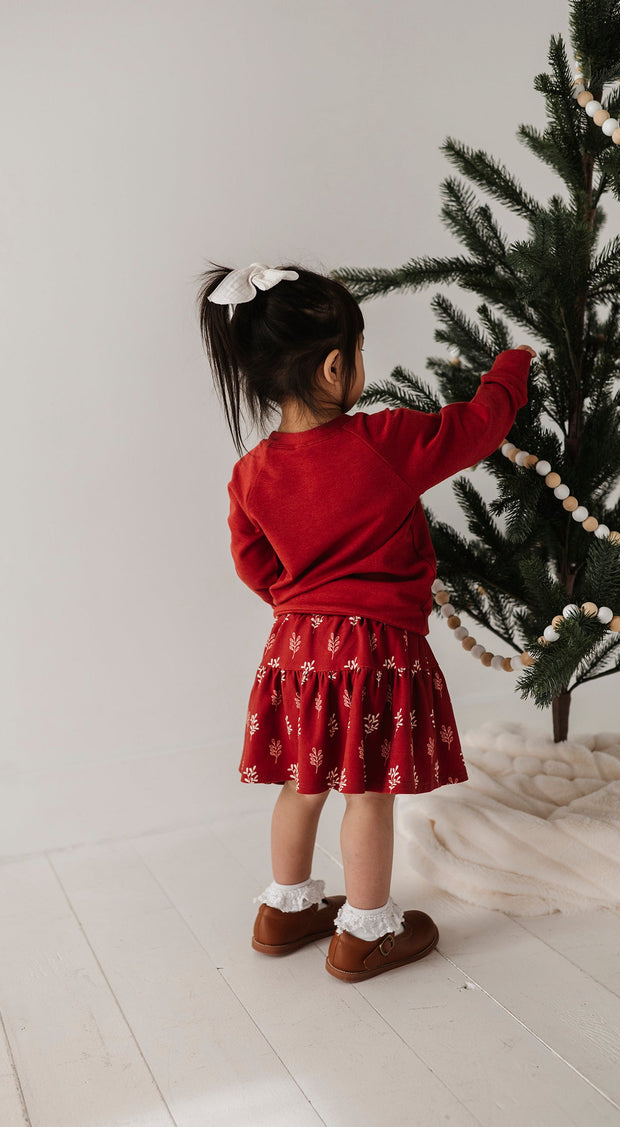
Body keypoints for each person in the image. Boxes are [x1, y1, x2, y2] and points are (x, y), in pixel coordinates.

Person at [197, 261, 535, 982]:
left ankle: (284, 908)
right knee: (367, 789)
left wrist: (301, 609)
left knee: (303, 780)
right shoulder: (382, 441)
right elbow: (475, 428)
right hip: (373, 647)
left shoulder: (251, 472)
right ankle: (367, 930)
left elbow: (252, 564)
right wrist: (510, 368)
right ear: (332, 365)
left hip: (293, 646)